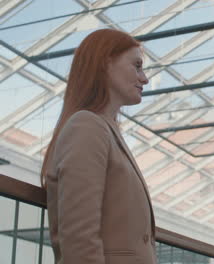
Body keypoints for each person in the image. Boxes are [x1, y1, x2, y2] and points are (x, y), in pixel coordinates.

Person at [41, 29, 157, 264]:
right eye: (137, 66)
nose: (144, 78)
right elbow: (79, 237)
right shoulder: (87, 126)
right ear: (105, 63)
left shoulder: (104, 130)